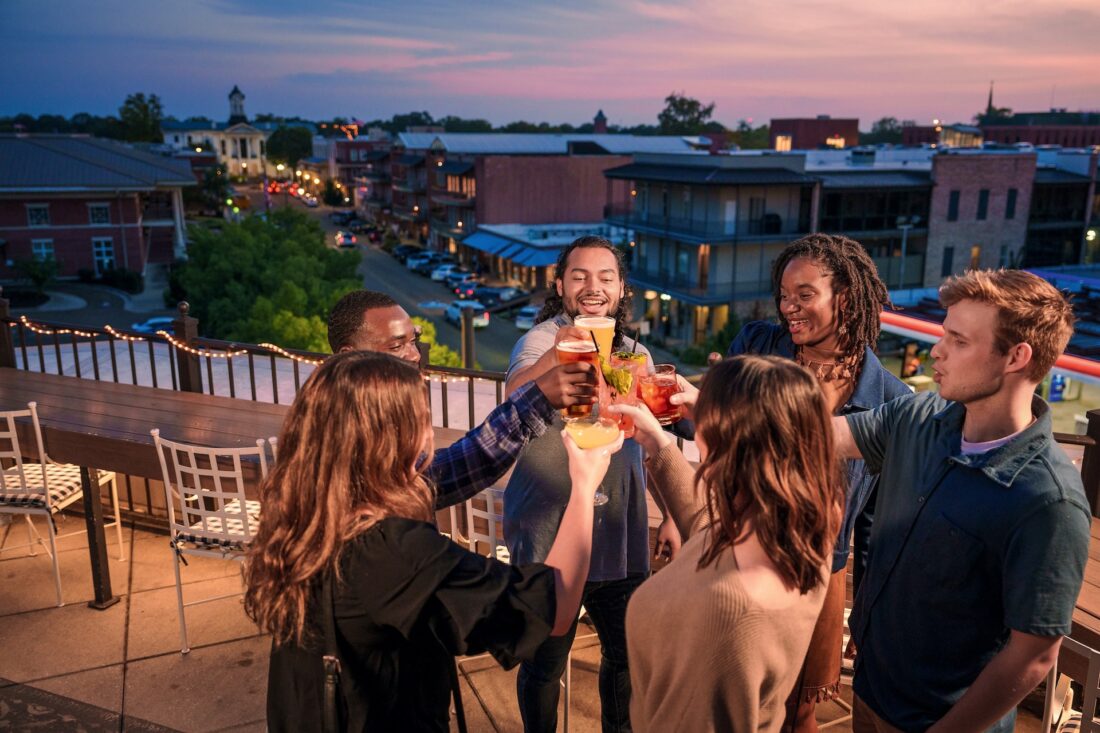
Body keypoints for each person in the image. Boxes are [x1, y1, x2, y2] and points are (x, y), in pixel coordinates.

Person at [245, 350, 623, 732]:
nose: (428, 436)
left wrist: (537, 397)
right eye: (422, 419)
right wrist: (584, 487)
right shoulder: (392, 549)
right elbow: (550, 607)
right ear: (391, 437)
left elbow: (468, 461)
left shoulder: (306, 509)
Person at [831, 269, 1090, 731]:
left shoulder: (1049, 500)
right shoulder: (920, 416)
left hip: (939, 721)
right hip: (871, 694)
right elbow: (824, 435)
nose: (936, 350)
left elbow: (1033, 655)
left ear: (1017, 357)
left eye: (959, 340)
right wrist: (705, 404)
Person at [725, 233, 909, 731]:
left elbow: (878, 520)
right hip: (738, 550)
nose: (789, 308)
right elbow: (712, 429)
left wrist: (866, 612)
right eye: (784, 295)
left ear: (845, 297)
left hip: (819, 573)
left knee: (798, 707)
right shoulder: (758, 345)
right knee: (732, 695)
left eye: (804, 295)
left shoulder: (890, 400)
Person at [609, 355, 844, 732]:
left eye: (706, 419)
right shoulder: (801, 531)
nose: (697, 429)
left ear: (732, 443)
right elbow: (708, 529)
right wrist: (656, 440)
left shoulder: (724, 612)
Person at [504, 235, 680, 733]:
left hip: (620, 534)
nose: (592, 287)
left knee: (626, 661)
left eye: (605, 277)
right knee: (544, 662)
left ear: (622, 289)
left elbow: (653, 438)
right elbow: (513, 394)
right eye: (579, 276)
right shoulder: (541, 340)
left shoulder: (635, 354)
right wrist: (565, 350)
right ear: (560, 286)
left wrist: (670, 512)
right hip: (550, 531)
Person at [327, 289, 598, 510]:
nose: (414, 355)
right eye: (397, 346)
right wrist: (536, 400)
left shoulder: (355, 413)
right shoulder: (346, 436)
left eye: (414, 341)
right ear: (347, 355)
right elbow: (443, 476)